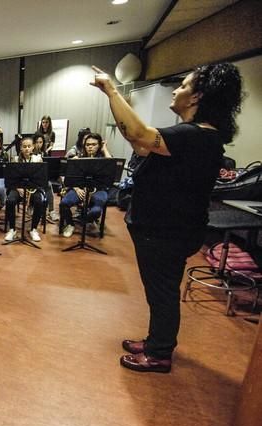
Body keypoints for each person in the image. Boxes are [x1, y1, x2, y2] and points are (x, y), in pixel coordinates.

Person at [91, 63, 244, 373]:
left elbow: (139, 134)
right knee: (159, 291)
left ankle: (159, 353)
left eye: (183, 86)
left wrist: (111, 90)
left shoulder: (195, 135)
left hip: (166, 230)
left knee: (162, 293)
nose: (175, 90)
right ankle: (155, 340)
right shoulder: (197, 136)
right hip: (167, 228)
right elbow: (139, 141)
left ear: (198, 96)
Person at [59, 133, 111, 238]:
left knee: (96, 211)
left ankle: (84, 220)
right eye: (87, 145)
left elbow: (111, 167)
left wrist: (104, 149)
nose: (90, 147)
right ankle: (70, 224)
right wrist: (76, 188)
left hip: (98, 190)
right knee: (64, 203)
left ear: (99, 146)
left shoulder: (104, 159)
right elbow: (68, 177)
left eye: (94, 144)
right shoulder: (77, 158)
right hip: (80, 189)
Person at [4, 137, 45, 242]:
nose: (27, 148)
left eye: (29, 146)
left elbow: (41, 179)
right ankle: (12, 229)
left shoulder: (38, 159)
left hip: (33, 188)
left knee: (39, 201)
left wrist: (32, 188)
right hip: (18, 189)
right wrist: (18, 188)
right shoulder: (15, 159)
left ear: (33, 147)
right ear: (21, 148)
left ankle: (33, 229)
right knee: (10, 200)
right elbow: (11, 179)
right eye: (24, 146)